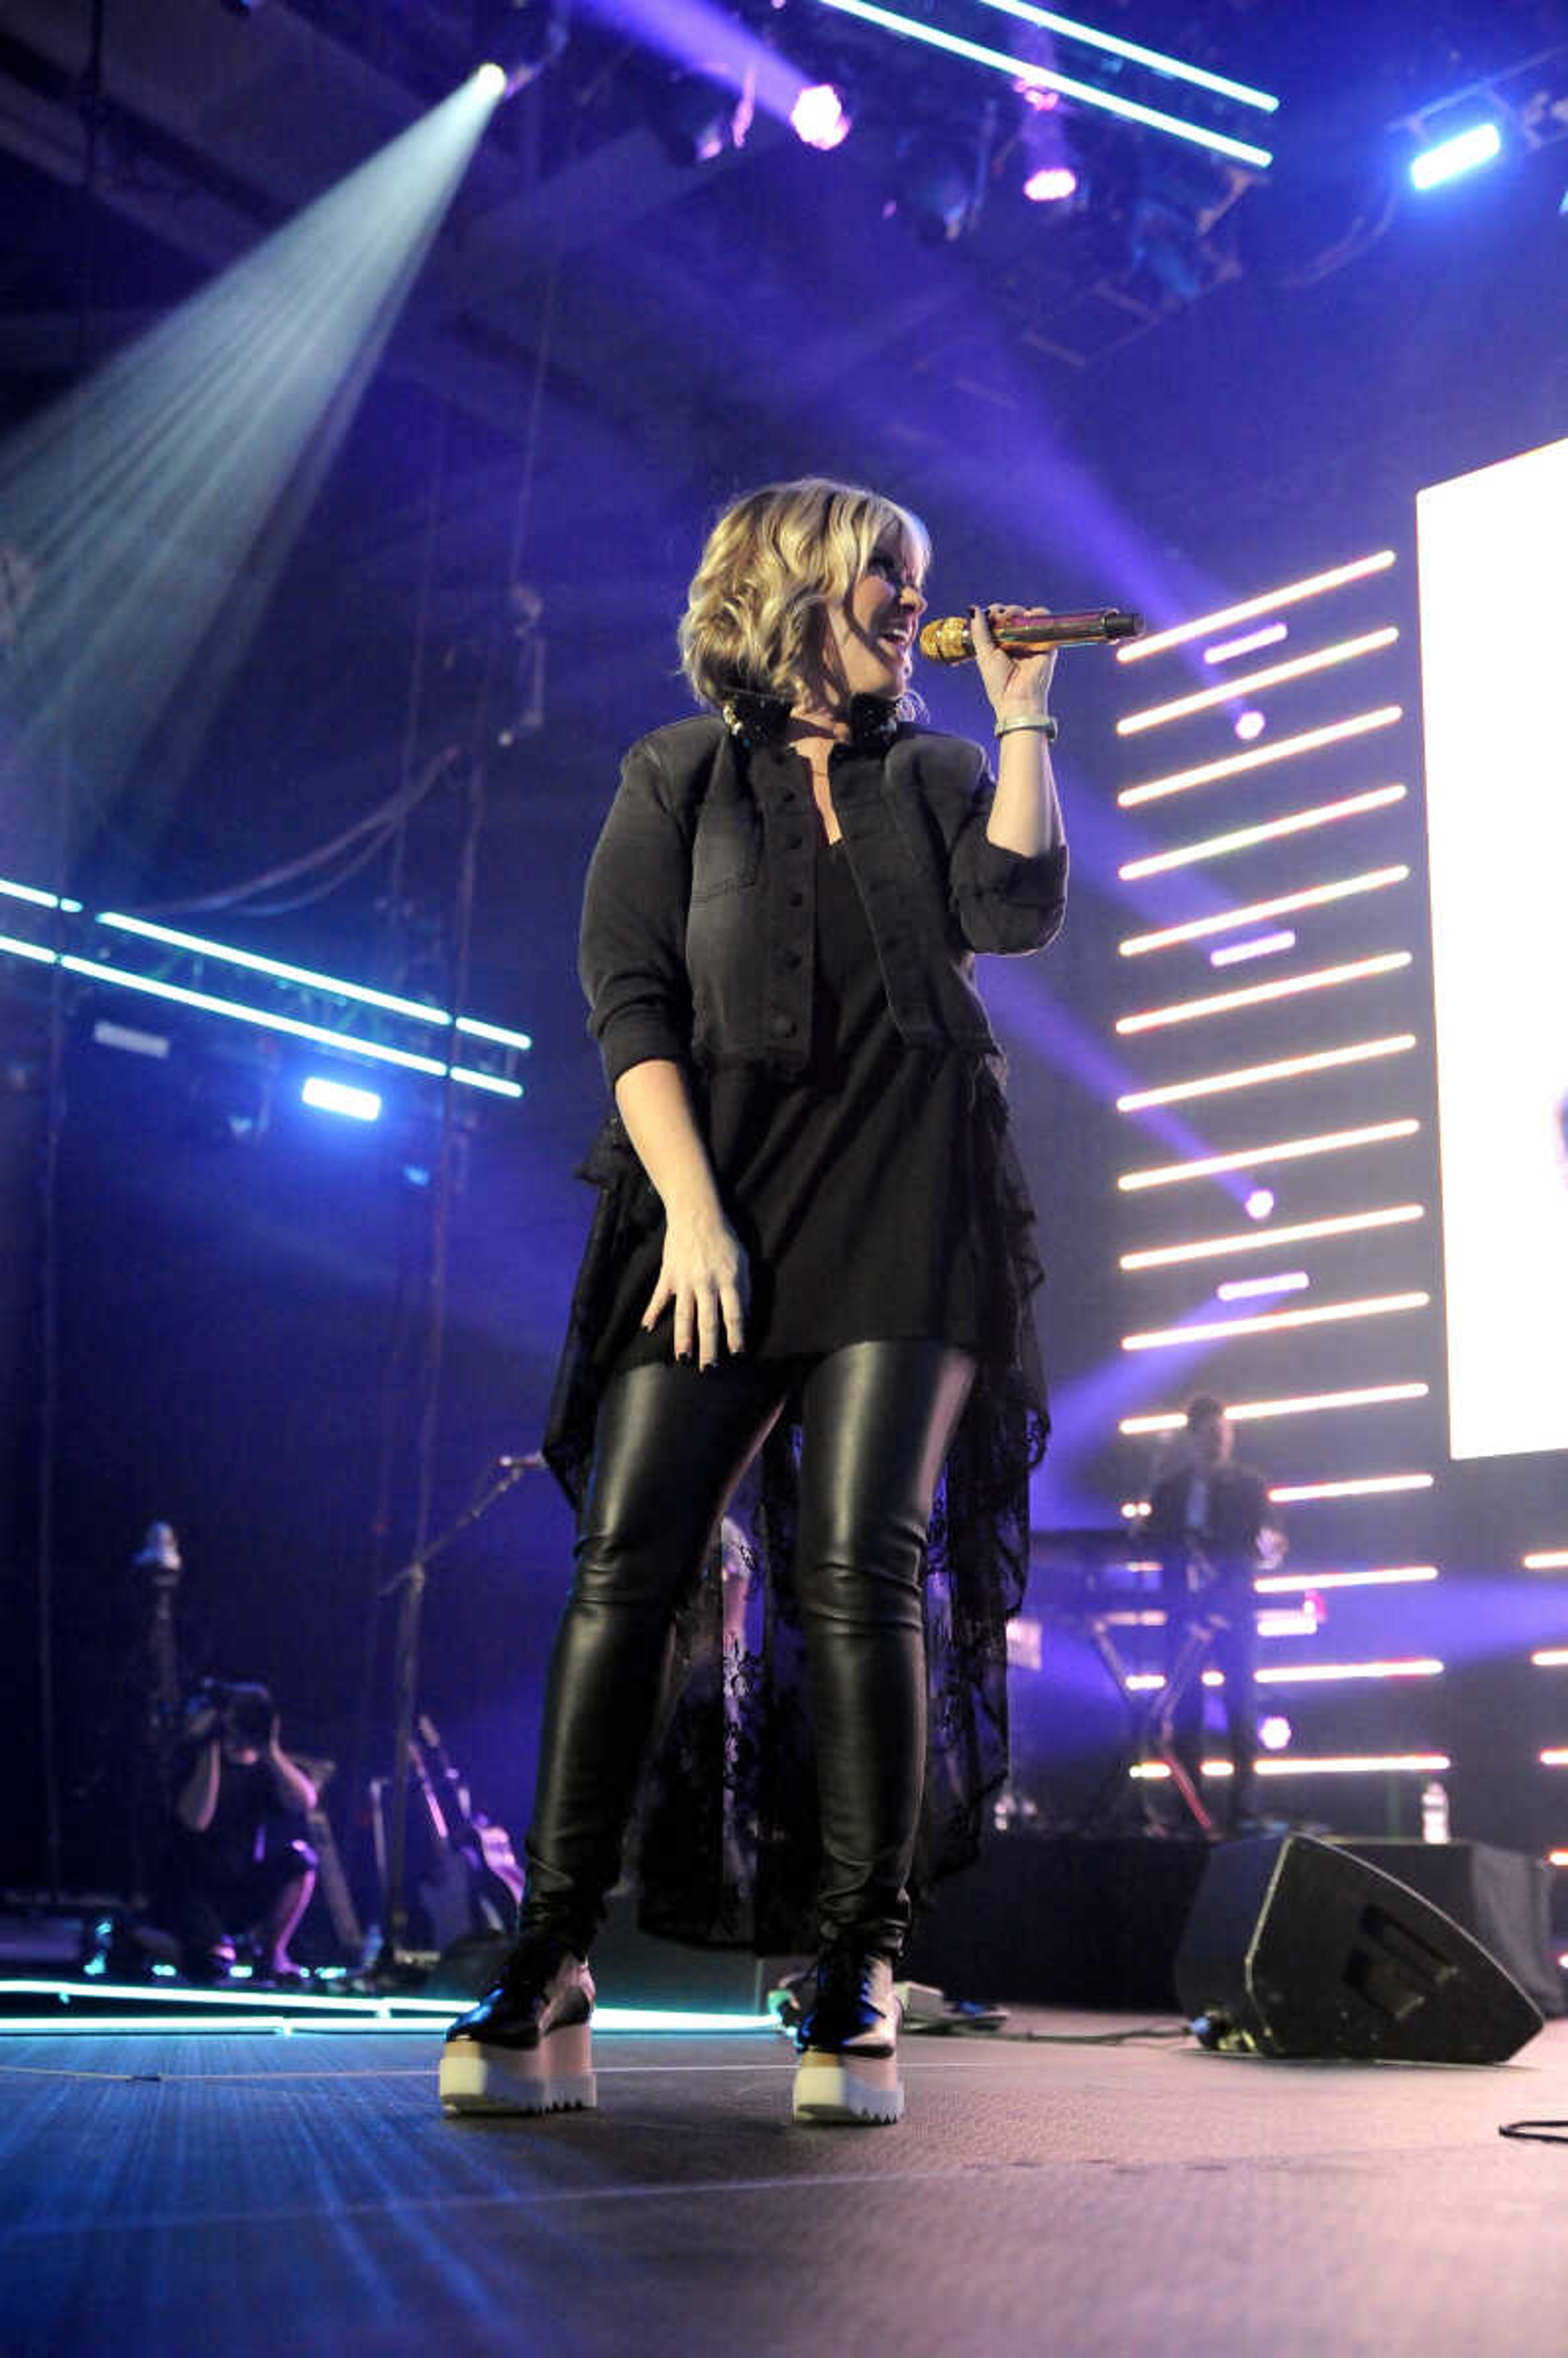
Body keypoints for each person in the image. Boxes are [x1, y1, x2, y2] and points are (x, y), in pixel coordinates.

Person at [441, 477, 1067, 2126]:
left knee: (863, 1567)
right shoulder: (676, 774)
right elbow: (627, 1000)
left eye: (914, 582)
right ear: (797, 583)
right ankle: (555, 1949)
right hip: (713, 1208)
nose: (905, 602)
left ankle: (861, 1956)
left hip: (909, 1207)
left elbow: (1017, 908)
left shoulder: (935, 771)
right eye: (885, 574)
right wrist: (697, 1224)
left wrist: (1023, 721)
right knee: (628, 1568)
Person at [1145, 1397, 1283, 1837]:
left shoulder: (1250, 1484)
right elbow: (1150, 1542)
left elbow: (1268, 1543)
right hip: (1183, 1612)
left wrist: (1265, 1549)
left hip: (1233, 1611)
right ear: (1194, 1438)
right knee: (1185, 1709)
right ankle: (1190, 1805)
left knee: (1241, 1704)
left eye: (1225, 1435)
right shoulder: (1169, 1489)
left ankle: (1244, 1806)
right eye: (1211, 1434)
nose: (1220, 1443)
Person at [156, 1679, 319, 1984]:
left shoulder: (266, 1767)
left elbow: (305, 1801)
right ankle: (136, 1936)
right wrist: (212, 1746)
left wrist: (270, 1748)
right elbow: (196, 1821)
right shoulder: (192, 1758)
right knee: (213, 1966)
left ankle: (272, 1954)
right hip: (190, 1889)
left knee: (301, 1858)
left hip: (240, 1885)